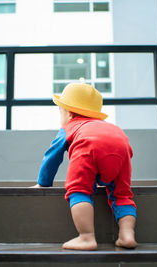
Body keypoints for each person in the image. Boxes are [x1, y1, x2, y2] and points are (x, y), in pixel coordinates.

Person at [33, 83, 137, 250]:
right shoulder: (110, 127)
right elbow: (103, 155)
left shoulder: (70, 127)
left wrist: (43, 183)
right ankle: (127, 235)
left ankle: (86, 237)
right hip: (122, 143)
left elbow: (52, 156)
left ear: (69, 113)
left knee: (79, 189)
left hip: (88, 144)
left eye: (60, 111)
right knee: (122, 195)